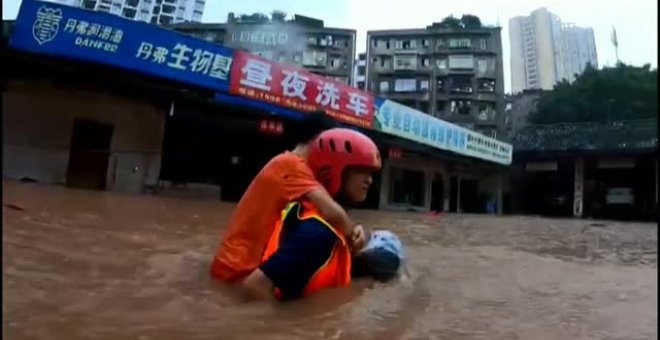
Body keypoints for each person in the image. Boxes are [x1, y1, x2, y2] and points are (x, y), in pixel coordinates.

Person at [241, 128, 404, 300]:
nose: (369, 180)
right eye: (361, 170)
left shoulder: (323, 220)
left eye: (370, 173)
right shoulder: (318, 234)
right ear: (336, 169)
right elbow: (254, 287)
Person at [210, 111, 366, 283]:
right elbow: (331, 212)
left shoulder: (297, 168)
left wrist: (354, 228)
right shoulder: (292, 165)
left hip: (240, 265)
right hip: (237, 269)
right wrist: (353, 235)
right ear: (320, 139)